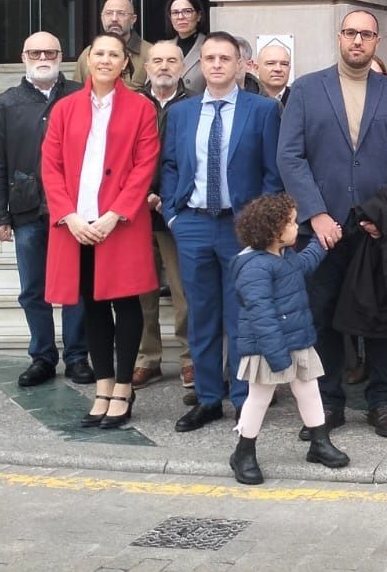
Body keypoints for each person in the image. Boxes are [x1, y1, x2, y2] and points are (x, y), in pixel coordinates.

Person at [277, 10, 387, 437]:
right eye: (351, 33)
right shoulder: (305, 89)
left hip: (375, 227)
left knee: (379, 316)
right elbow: (290, 156)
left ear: (376, 41)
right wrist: (316, 213)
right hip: (322, 229)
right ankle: (329, 403)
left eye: (366, 35)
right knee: (322, 316)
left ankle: (381, 402)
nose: (358, 41)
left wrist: (384, 215)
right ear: (339, 37)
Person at [161, 33, 284, 432]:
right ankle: (209, 398)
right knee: (201, 315)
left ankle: (245, 399)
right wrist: (176, 217)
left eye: (224, 58)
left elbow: (272, 172)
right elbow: (170, 166)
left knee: (242, 315)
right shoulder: (181, 113)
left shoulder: (262, 110)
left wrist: (260, 225)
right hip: (194, 223)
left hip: (241, 226)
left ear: (240, 65)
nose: (215, 64)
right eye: (209, 57)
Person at [40, 32, 160, 431]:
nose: (106, 60)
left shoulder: (141, 109)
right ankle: (103, 386)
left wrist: (116, 214)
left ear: (126, 63)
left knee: (126, 305)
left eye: (114, 54)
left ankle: (124, 387)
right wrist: (68, 215)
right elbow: (50, 166)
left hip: (119, 225)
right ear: (88, 61)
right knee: (90, 305)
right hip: (76, 225)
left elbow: (145, 167)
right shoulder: (64, 108)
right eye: (99, 54)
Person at [0, 31, 90, 387]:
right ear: (23, 56)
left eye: (50, 52)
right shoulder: (4, 105)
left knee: (76, 286)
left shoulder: (80, 95)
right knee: (32, 288)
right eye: (35, 52)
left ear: (62, 56)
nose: (43, 57)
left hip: (73, 210)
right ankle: (42, 356)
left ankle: (77, 356)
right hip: (27, 211)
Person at [226, 192, 348, 484]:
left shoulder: (282, 255)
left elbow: (301, 267)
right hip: (268, 346)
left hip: (297, 338)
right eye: (292, 223)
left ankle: (319, 442)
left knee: (308, 389)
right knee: (259, 398)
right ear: (273, 231)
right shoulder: (254, 267)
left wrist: (322, 243)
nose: (297, 227)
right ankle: (243, 452)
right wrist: (277, 356)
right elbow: (261, 315)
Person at [133, 40, 193, 401]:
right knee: (141, 292)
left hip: (177, 211)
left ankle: (190, 357)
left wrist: (167, 197)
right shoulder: (130, 103)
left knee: (185, 292)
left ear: (183, 67)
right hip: (135, 210)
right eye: (157, 60)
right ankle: (147, 356)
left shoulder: (196, 103)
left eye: (172, 60)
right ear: (146, 66)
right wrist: (139, 193)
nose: (164, 66)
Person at [74, 0, 154, 87]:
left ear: (133, 19)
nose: (114, 19)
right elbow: (77, 93)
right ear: (102, 17)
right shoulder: (88, 53)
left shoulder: (151, 53)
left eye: (121, 13)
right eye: (109, 13)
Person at [165, 0, 209, 94]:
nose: (180, 17)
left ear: (199, 16)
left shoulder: (209, 47)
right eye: (175, 13)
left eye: (187, 11)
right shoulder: (163, 49)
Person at [258, 41, 293, 108]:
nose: (278, 69)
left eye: (284, 64)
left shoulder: (300, 100)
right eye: (270, 63)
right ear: (256, 68)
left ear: (289, 68)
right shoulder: (245, 100)